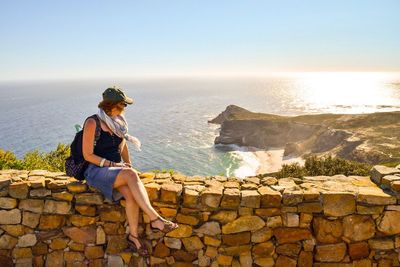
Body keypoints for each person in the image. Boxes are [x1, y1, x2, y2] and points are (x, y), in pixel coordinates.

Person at [82, 86, 178, 258]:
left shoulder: (118, 122)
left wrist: (128, 165)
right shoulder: (92, 122)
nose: (125, 109)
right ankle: (156, 219)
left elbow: (123, 146)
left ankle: (134, 237)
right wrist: (117, 166)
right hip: (95, 170)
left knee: (132, 194)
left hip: (114, 170)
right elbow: (87, 155)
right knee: (131, 175)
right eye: (122, 105)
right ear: (112, 105)